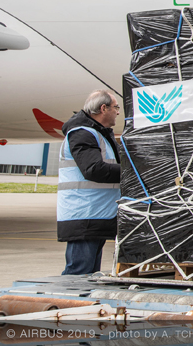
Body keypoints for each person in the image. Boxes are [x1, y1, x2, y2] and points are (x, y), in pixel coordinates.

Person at [58, 90, 122, 275]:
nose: (118, 112)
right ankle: (67, 303)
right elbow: (94, 170)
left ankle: (81, 303)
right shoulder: (82, 134)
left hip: (97, 213)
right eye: (116, 107)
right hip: (85, 215)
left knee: (90, 275)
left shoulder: (98, 134)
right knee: (79, 272)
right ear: (103, 108)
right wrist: (131, 172)